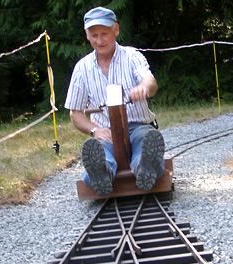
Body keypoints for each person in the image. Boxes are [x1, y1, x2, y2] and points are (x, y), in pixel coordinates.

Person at [64, 6, 165, 195]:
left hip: (138, 125)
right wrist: (95, 130)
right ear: (87, 35)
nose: (100, 40)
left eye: (105, 33)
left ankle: (145, 167)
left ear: (116, 29)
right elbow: (75, 113)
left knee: (144, 142)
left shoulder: (132, 56)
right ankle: (100, 173)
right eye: (94, 35)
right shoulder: (82, 68)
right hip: (106, 131)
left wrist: (144, 87)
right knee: (101, 151)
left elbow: (150, 82)